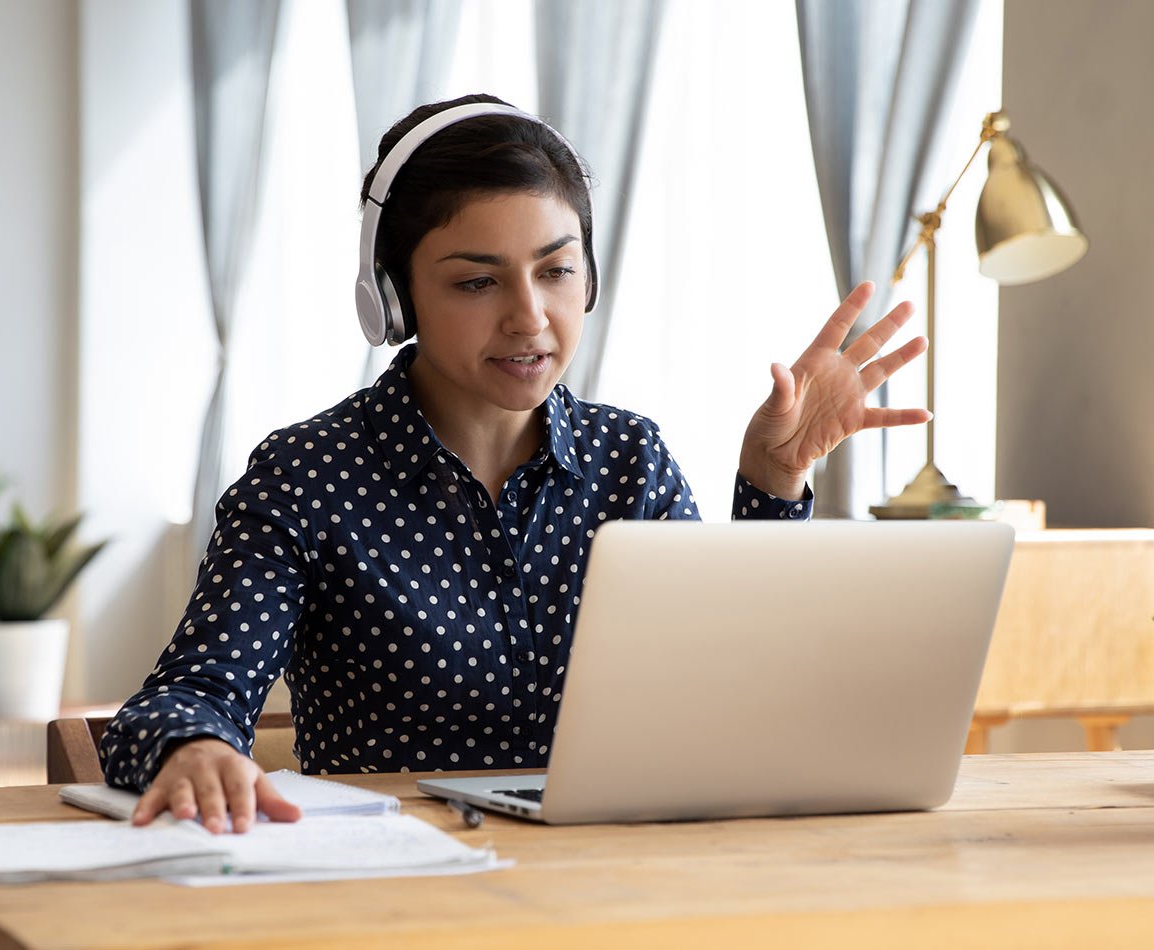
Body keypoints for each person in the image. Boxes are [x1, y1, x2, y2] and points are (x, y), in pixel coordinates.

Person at [100, 93, 929, 834]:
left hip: (616, 887)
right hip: (394, 893)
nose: (530, 317)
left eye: (557, 270)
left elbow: (745, 694)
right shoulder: (308, 475)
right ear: (393, 298)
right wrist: (196, 747)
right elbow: (182, 698)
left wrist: (774, 483)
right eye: (475, 283)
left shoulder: (628, 461)